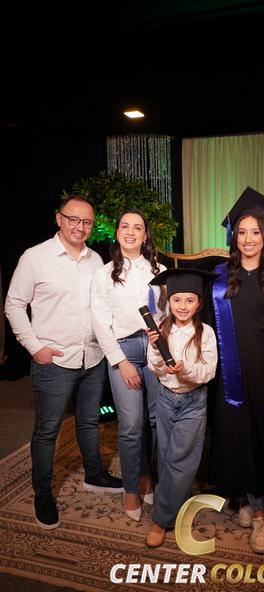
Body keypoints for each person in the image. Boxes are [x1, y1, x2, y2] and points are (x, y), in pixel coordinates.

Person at [4, 195, 123, 530]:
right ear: (59, 219)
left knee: (88, 422)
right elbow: (14, 304)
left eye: (87, 222)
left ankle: (95, 475)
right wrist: (34, 347)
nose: (80, 227)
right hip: (53, 361)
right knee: (47, 431)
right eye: (73, 219)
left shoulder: (95, 260)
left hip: (92, 358)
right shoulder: (35, 257)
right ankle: (43, 495)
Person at [209, 187, 264, 555]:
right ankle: (248, 499)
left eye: (255, 232)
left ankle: (258, 512)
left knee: (259, 435)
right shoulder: (218, 278)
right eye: (241, 232)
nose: (247, 239)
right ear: (234, 237)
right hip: (230, 372)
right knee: (236, 435)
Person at [90, 209, 166, 522]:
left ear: (145, 236)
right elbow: (99, 322)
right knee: (132, 425)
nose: (131, 232)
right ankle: (131, 487)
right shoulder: (104, 273)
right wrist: (121, 362)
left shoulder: (160, 270)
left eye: (137, 227)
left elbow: (166, 313)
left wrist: (162, 339)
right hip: (123, 350)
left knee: (154, 421)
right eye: (125, 226)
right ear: (117, 232)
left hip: (154, 349)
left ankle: (148, 475)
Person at [144, 268, 218, 548]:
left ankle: (160, 520)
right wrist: (158, 355)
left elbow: (209, 371)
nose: (183, 306)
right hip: (165, 399)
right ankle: (180, 505)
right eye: (177, 300)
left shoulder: (205, 333)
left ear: (198, 303)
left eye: (189, 300)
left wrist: (185, 368)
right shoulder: (161, 329)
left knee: (180, 461)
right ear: (169, 301)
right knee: (166, 457)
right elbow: (153, 366)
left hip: (192, 403)